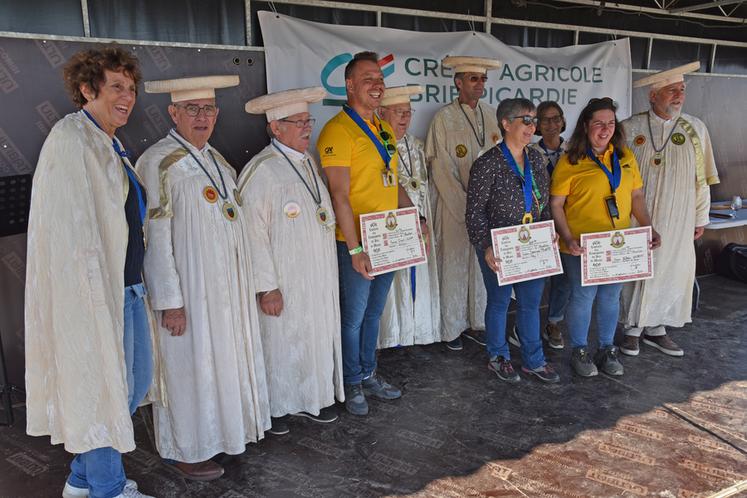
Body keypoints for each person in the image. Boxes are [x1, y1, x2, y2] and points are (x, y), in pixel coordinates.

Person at [25, 47, 156, 498]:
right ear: (87, 89)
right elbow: (67, 230)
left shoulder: (106, 141)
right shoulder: (71, 139)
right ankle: (108, 487)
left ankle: (81, 480)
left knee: (131, 387)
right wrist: (89, 298)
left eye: (131, 88)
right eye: (116, 86)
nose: (127, 97)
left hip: (129, 288)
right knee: (103, 391)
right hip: (98, 293)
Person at [137, 75, 270, 480]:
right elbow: (153, 238)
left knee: (220, 364)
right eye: (191, 109)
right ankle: (186, 449)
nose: (201, 117)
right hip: (189, 292)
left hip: (226, 290)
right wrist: (169, 301)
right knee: (187, 367)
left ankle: (221, 437)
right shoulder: (159, 162)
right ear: (173, 113)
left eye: (208, 109)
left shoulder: (217, 161)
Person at [317, 51, 425, 416]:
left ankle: (368, 373)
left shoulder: (382, 128)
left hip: (388, 238)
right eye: (368, 79)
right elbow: (339, 196)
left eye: (380, 79)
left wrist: (415, 216)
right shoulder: (336, 131)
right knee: (354, 316)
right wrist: (355, 249)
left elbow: (392, 182)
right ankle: (351, 382)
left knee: (373, 313)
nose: (377, 85)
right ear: (349, 85)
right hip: (357, 242)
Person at [240, 87, 344, 435]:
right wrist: (267, 286)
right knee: (282, 339)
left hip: (315, 274)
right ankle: (278, 408)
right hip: (284, 279)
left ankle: (310, 399)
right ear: (275, 128)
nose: (306, 128)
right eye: (296, 122)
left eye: (308, 120)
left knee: (311, 336)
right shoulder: (262, 171)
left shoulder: (306, 161)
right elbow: (251, 233)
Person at [550, 97, 661, 377]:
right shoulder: (571, 159)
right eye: (599, 123)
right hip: (582, 245)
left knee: (611, 297)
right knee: (584, 296)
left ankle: (606, 348)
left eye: (610, 123)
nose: (605, 129)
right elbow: (555, 204)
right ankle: (579, 350)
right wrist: (567, 236)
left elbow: (636, 195)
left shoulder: (624, 157)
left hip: (616, 244)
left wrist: (648, 227)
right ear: (586, 125)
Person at [619, 62, 719, 357]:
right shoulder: (629, 127)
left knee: (671, 269)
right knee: (636, 269)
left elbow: (702, 179)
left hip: (679, 216)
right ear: (653, 95)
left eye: (682, 90)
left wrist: (701, 217)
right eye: (672, 90)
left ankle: (658, 328)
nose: (678, 95)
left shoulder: (696, 128)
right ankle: (631, 329)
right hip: (637, 216)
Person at [466, 98, 560, 384]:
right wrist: (485, 246)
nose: (532, 127)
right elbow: (474, 212)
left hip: (531, 245)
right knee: (499, 302)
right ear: (506, 124)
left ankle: (534, 360)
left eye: (534, 121)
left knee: (531, 304)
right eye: (526, 120)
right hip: (500, 246)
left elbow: (543, 204)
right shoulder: (487, 163)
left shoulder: (535, 159)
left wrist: (549, 231)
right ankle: (499, 357)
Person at [425, 56, 502, 351]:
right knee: (455, 265)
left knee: (483, 266)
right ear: (458, 82)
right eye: (473, 79)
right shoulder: (444, 119)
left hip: (488, 211)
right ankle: (452, 327)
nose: (479, 84)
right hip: (454, 208)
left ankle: (477, 323)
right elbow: (441, 169)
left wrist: (488, 208)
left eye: (482, 79)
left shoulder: (494, 115)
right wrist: (467, 209)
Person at [378, 85, 441, 349]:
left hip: (419, 220)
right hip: (390, 225)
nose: (405, 118)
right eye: (398, 112)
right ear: (381, 112)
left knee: (418, 275)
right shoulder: (377, 144)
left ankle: (416, 332)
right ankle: (390, 336)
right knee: (392, 284)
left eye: (408, 112)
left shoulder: (416, 145)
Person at [530, 101, 569, 350]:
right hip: (538, 222)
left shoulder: (575, 151)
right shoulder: (529, 151)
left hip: (568, 221)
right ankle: (528, 324)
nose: (551, 125)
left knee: (563, 277)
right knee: (536, 278)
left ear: (563, 121)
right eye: (545, 120)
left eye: (556, 119)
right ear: (536, 125)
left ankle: (554, 321)